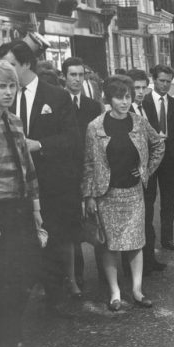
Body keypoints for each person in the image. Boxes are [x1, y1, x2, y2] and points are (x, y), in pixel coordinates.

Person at [0, 41, 81, 316]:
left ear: (25, 64)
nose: (5, 73)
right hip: (15, 190)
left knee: (53, 242)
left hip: (50, 186)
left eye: (10, 64)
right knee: (21, 249)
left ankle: (57, 299)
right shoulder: (1, 99)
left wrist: (39, 144)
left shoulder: (56, 97)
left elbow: (72, 139)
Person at [82, 75, 164, 311]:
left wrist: (146, 170)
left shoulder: (138, 122)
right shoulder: (95, 126)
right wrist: (88, 196)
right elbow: (88, 163)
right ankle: (115, 292)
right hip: (106, 194)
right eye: (119, 97)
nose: (125, 101)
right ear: (109, 99)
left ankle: (137, 290)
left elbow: (158, 144)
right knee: (109, 245)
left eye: (128, 96)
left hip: (133, 192)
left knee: (135, 243)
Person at [0, 60, 43, 347]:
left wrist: (35, 208)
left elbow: (28, 167)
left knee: (28, 270)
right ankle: (9, 342)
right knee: (5, 277)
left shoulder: (14, 121)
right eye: (1, 86)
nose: (9, 91)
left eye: (12, 86)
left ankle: (9, 335)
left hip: (22, 206)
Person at [62, 56, 102, 297]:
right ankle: (75, 276)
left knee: (94, 221)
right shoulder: (58, 102)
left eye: (80, 75)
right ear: (64, 77)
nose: (77, 80)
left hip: (88, 171)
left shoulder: (91, 105)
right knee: (71, 225)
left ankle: (101, 275)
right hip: (66, 172)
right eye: (72, 75)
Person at [143, 64, 174, 260]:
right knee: (148, 200)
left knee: (168, 200)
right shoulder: (144, 103)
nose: (165, 85)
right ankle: (148, 242)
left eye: (168, 81)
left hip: (169, 159)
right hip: (149, 159)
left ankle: (168, 239)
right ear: (154, 80)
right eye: (161, 81)